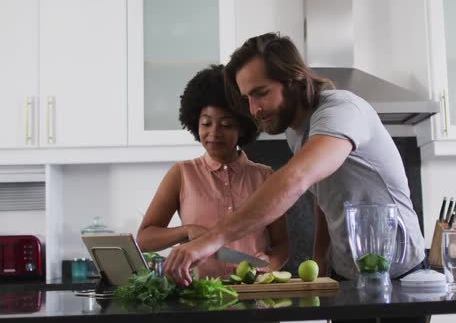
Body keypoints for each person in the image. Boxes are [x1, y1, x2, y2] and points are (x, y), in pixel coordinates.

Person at [162, 32, 425, 286]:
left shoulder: (341, 111)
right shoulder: (296, 131)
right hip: (348, 274)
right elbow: (323, 194)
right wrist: (320, 258)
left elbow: (297, 179)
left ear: (294, 79)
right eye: (247, 99)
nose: (254, 109)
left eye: (261, 93)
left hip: (398, 274)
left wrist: (211, 240)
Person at [137, 64, 289, 278]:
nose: (214, 133)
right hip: (199, 297)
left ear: (243, 128)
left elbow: (281, 244)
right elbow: (144, 239)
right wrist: (187, 230)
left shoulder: (264, 177)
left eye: (226, 125)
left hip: (255, 297)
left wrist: (269, 266)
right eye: (206, 124)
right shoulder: (182, 174)